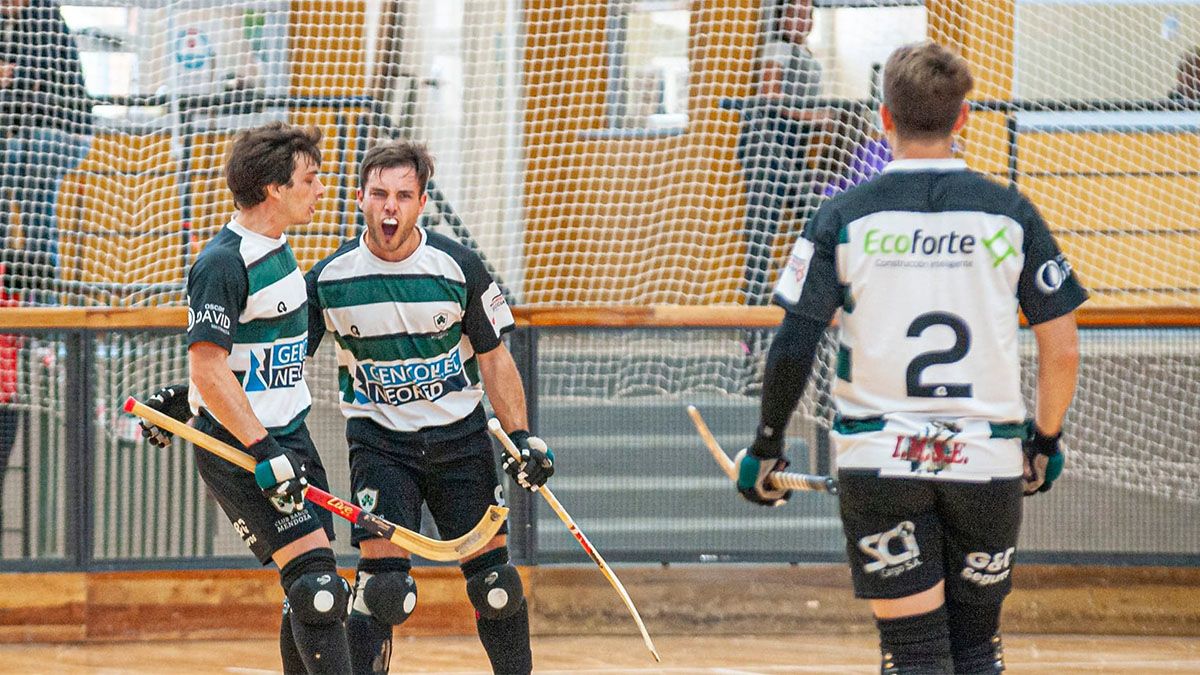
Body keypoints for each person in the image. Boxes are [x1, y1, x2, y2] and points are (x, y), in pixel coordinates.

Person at [734, 42, 1087, 673]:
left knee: (915, 654)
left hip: (880, 461)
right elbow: (1061, 346)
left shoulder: (843, 216)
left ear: (884, 119)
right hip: (986, 459)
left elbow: (794, 343)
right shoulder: (1010, 213)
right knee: (976, 653)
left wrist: (766, 444)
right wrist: (1046, 439)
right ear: (964, 117)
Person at [304, 141, 551, 675]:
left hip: (460, 439)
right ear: (360, 198)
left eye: (403, 195)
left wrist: (522, 438)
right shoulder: (328, 279)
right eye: (379, 194)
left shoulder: (458, 267)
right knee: (384, 590)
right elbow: (279, 358)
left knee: (497, 586)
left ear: (421, 203)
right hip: (380, 443)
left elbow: (495, 357)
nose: (389, 207)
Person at [137, 121, 352, 674]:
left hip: (289, 437)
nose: (321, 188)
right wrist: (260, 449)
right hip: (243, 449)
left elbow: (247, 362)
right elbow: (209, 366)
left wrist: (186, 399)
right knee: (317, 589)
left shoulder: (278, 249)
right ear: (274, 188)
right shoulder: (222, 263)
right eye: (310, 178)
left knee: (313, 589)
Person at [0, 0, 93, 305]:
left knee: (30, 186)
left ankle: (43, 297)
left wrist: (11, 77)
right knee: (26, 187)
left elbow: (29, 80)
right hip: (27, 134)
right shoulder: (6, 24)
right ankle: (32, 290)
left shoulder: (44, 18)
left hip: (63, 133)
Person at [737, 0, 823, 306]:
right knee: (762, 231)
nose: (802, 20)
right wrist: (811, 116)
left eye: (807, 14)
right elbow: (769, 94)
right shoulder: (778, 48)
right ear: (782, 16)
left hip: (793, 149)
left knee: (814, 220)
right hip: (767, 147)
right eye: (795, 13)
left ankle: (800, 296)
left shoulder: (808, 55)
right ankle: (752, 316)